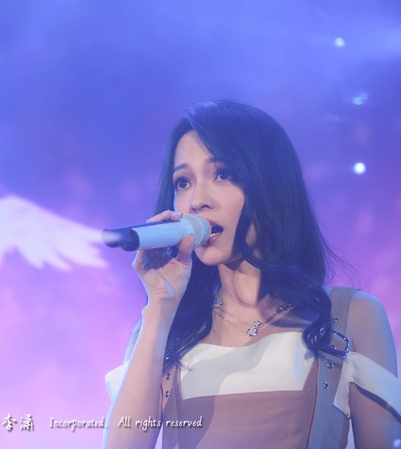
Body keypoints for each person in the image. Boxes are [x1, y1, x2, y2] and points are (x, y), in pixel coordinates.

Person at [102, 101, 401, 448]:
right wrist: (160, 307)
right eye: (183, 182)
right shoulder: (164, 328)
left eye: (223, 174)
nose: (197, 200)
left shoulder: (348, 316)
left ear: (270, 184)